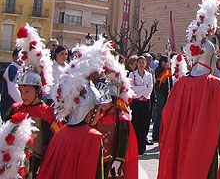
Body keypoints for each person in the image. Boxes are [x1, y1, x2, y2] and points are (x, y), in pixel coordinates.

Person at [158, 0, 220, 179]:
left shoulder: (181, 83)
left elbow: (167, 116)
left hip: (181, 145)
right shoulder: (215, 85)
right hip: (204, 147)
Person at [38, 39, 113, 179]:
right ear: (89, 111)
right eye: (97, 110)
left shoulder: (61, 132)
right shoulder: (93, 137)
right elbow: (96, 174)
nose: (99, 115)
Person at [9, 24, 58, 178]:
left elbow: (52, 142)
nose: (23, 96)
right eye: (21, 91)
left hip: (38, 166)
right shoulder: (15, 108)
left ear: (38, 90)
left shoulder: (47, 112)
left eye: (28, 91)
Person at [94, 44, 139, 179]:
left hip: (113, 161)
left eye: (105, 101)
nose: (102, 105)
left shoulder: (121, 120)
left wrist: (119, 159)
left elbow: (122, 142)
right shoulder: (98, 116)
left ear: (114, 100)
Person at [130, 55, 153, 154]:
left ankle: (142, 147)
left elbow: (150, 89)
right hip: (136, 101)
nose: (141, 65)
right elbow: (132, 88)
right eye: (139, 63)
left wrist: (140, 89)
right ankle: (134, 146)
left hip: (145, 101)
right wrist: (144, 87)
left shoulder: (149, 75)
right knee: (136, 123)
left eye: (143, 63)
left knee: (144, 124)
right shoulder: (132, 75)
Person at [152, 55, 172, 143]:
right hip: (160, 93)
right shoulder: (159, 70)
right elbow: (161, 81)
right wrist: (165, 72)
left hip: (167, 93)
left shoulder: (170, 71)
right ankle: (156, 134)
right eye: (164, 62)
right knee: (159, 113)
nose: (165, 64)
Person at [0, 49, 22, 118]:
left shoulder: (18, 69)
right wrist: (24, 103)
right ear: (15, 57)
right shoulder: (13, 68)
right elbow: (12, 90)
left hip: (13, 106)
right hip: (9, 107)